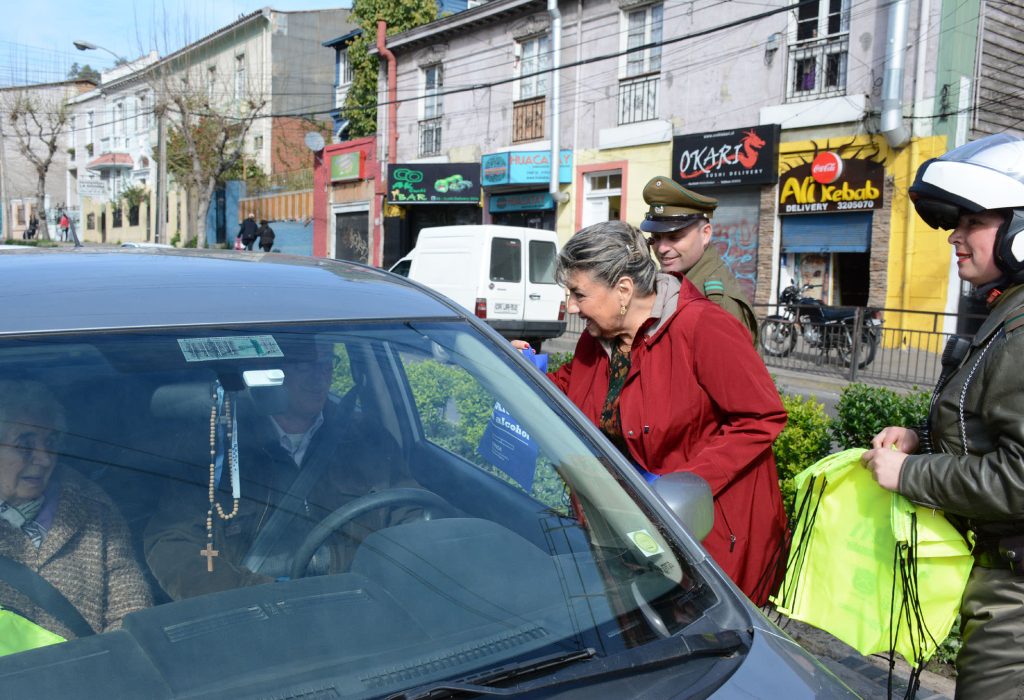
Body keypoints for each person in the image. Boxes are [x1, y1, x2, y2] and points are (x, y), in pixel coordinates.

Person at [522, 221, 787, 605]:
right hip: (629, 536)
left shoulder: (702, 327)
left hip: (700, 538)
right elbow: (569, 386)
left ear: (624, 290)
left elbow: (761, 417)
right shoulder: (597, 336)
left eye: (579, 294)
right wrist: (518, 364)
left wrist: (683, 488)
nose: (573, 307)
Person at [861, 133, 1024, 698]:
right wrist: (923, 437)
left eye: (972, 220)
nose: (955, 235)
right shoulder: (1008, 311)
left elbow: (1021, 477)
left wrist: (912, 476)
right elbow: (992, 424)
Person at [144, 339, 420, 600]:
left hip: (361, 604)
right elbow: (173, 544)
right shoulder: (212, 448)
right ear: (267, 371)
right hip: (256, 617)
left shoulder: (366, 438)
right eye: (303, 364)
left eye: (326, 362)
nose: (319, 377)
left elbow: (410, 511)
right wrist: (256, 596)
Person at [0, 380, 153, 644]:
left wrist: (105, 669)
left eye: (51, 442)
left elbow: (131, 609)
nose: (45, 458)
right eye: (25, 445)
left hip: (87, 678)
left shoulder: (93, 507)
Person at [639, 177, 758, 338]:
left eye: (674, 237)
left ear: (705, 234)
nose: (662, 248)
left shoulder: (717, 303)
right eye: (656, 237)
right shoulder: (675, 281)